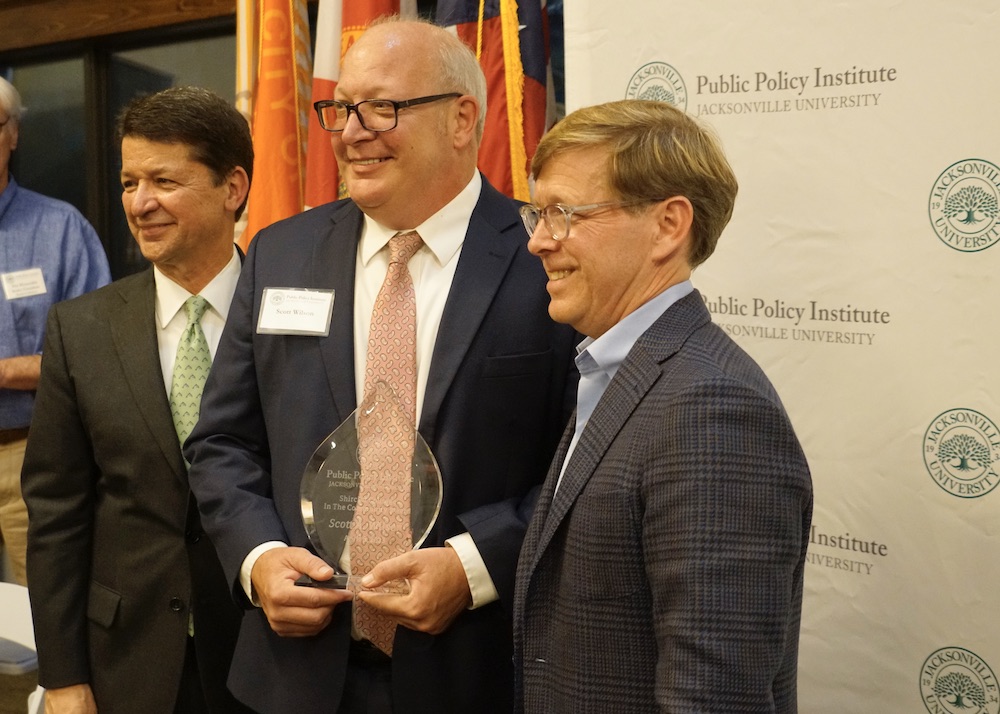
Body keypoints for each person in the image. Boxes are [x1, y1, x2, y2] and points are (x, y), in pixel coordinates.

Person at [184, 17, 578, 714]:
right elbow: (222, 444)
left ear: (462, 120)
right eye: (341, 109)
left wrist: (474, 565)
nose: (353, 131)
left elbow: (580, 471)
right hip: (294, 676)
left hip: (475, 669)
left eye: (384, 108)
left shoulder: (544, 261)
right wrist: (258, 560)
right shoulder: (280, 254)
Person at [513, 99, 813, 713]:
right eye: (537, 215)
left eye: (564, 214)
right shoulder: (616, 372)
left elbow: (713, 697)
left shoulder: (713, 411)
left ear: (669, 225)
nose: (539, 242)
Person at [22, 86, 255, 714]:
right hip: (126, 660)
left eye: (163, 181)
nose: (140, 203)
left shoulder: (291, 315)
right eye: (129, 183)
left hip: (267, 656)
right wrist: (62, 675)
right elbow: (57, 514)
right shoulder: (82, 329)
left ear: (232, 188)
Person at [0, 76, 110, 586]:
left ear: (13, 134)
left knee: (41, 614)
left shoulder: (62, 230)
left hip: (30, 456)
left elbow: (93, 360)